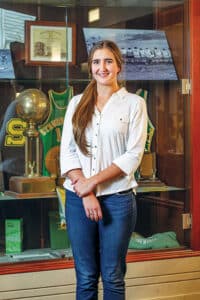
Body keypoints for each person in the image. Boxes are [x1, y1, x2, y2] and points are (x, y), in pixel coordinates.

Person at [60, 40, 147, 300]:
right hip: (78, 201)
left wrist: (92, 183)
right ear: (91, 68)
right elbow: (67, 153)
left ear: (118, 66)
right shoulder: (77, 103)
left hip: (118, 199)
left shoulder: (134, 104)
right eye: (97, 62)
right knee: (85, 277)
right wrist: (86, 192)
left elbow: (133, 156)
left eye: (108, 61)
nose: (102, 67)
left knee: (112, 276)